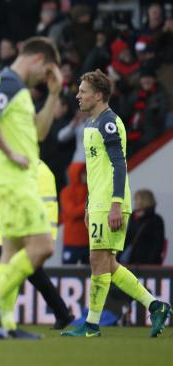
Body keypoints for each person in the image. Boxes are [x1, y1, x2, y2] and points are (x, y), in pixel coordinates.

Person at [61, 70, 171, 338]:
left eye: (83, 91)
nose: (78, 95)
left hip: (110, 202)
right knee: (108, 264)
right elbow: (95, 170)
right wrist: (88, 203)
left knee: (98, 261)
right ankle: (155, 305)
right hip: (97, 202)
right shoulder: (90, 125)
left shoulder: (109, 123)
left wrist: (115, 204)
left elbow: (119, 165)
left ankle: (91, 325)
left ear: (98, 95)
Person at [0, 37, 63, 339]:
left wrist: (53, 95)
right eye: (46, 73)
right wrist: (11, 152)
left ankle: (7, 325)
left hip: (14, 180)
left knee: (11, 254)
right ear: (38, 59)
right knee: (43, 247)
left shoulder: (19, 91)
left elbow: (39, 132)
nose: (43, 79)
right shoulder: (9, 82)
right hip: (14, 179)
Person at [0, 160, 74, 330]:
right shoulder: (12, 167)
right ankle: (62, 314)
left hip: (29, 233)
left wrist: (47, 236)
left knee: (16, 272)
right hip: (12, 230)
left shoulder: (42, 172)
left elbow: (48, 206)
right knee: (33, 275)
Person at [122, 189, 165, 265]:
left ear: (145, 201)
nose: (135, 202)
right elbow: (127, 239)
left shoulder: (156, 220)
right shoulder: (133, 217)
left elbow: (157, 244)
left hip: (147, 264)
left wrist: (150, 263)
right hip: (130, 262)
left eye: (137, 199)